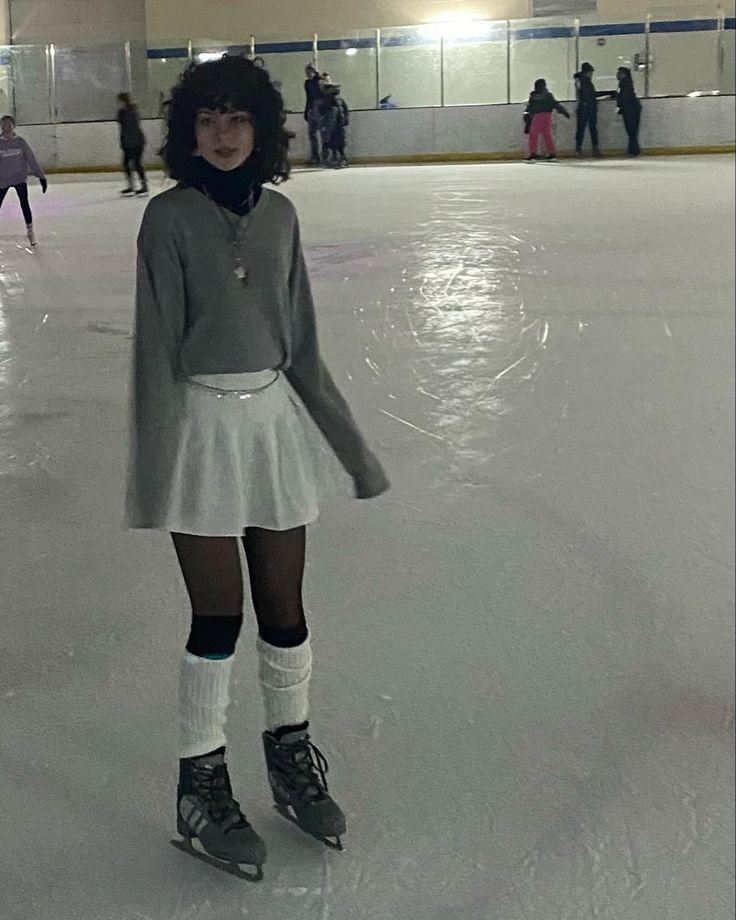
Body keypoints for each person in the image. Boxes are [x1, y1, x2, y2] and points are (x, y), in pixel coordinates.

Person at [126, 55, 389, 877]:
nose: (223, 134)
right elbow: (154, 351)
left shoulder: (280, 216)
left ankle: (290, 762)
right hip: (201, 428)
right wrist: (154, 471)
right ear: (187, 131)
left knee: (284, 609)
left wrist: (351, 448)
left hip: (273, 426)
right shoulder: (167, 219)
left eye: (238, 119)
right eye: (207, 119)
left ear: (264, 130)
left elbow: (302, 342)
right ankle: (201, 786)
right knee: (217, 618)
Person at [0, 114, 48, 247]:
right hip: (2, 180)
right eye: (4, 125)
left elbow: (31, 159)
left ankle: (30, 231)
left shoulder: (20, 142)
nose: (7, 127)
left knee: (24, 203)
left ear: (13, 126)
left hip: (19, 178)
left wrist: (41, 176)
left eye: (9, 124)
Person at [573, 62, 614, 157]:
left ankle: (582, 148)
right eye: (591, 72)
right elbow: (589, 95)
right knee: (588, 129)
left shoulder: (583, 81)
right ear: (588, 72)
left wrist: (607, 93)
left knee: (585, 129)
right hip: (586, 108)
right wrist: (608, 93)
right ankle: (585, 149)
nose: (592, 74)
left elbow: (591, 94)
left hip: (587, 108)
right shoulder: (583, 81)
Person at [523, 78, 570, 161]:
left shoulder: (533, 95)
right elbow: (556, 104)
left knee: (533, 134)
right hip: (547, 116)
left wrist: (527, 113)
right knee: (547, 134)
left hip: (537, 116)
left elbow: (530, 106)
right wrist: (564, 112)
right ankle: (552, 154)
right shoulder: (548, 95)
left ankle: (533, 154)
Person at [117, 92, 148, 196]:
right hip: (130, 142)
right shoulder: (127, 111)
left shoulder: (129, 112)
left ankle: (142, 185)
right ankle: (133, 185)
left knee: (136, 163)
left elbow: (129, 127)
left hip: (134, 142)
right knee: (128, 163)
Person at [616, 66, 642, 157]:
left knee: (632, 130)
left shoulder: (625, 85)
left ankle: (633, 150)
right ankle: (633, 149)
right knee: (631, 130)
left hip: (631, 109)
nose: (617, 75)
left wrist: (620, 107)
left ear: (624, 75)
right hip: (630, 109)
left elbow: (624, 98)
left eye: (619, 73)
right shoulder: (623, 84)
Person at [303, 63, 324, 166]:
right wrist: (306, 111)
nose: (307, 74)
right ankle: (315, 156)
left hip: (319, 110)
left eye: (308, 72)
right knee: (312, 134)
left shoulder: (319, 81)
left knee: (323, 133)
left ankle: (324, 156)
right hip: (312, 109)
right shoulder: (308, 83)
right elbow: (309, 97)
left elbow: (322, 95)